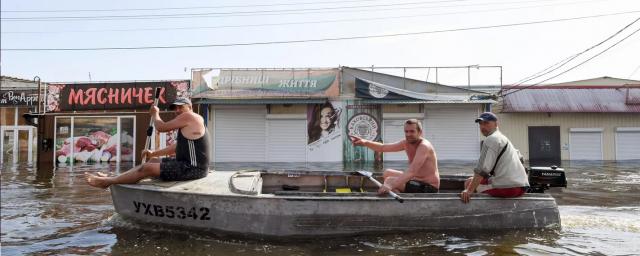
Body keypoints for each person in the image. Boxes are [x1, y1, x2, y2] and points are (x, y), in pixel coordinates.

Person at [85, 98, 210, 188]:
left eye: (180, 106)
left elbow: (161, 127)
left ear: (190, 107)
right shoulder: (189, 123)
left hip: (193, 169)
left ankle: (107, 182)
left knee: (147, 168)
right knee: (152, 162)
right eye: (174, 107)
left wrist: (155, 114)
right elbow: (177, 147)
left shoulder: (190, 116)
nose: (177, 110)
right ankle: (115, 177)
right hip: (186, 165)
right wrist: (153, 153)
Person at [350, 119, 439, 194]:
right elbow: (382, 147)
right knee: (387, 173)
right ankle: (399, 196)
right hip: (416, 180)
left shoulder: (424, 146)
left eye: (412, 131)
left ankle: (398, 201)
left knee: (390, 181)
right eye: (406, 131)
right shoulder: (406, 143)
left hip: (428, 187)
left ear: (420, 132)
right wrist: (365, 142)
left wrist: (390, 185)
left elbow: (412, 171)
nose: (408, 134)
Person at [460, 112, 529, 203]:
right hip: (521, 186)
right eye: (481, 124)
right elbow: (520, 158)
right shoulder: (503, 138)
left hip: (508, 188)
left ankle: (477, 211)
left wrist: (469, 190)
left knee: (469, 183)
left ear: (496, 124)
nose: (482, 127)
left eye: (486, 123)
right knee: (471, 180)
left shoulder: (491, 139)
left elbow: (482, 170)